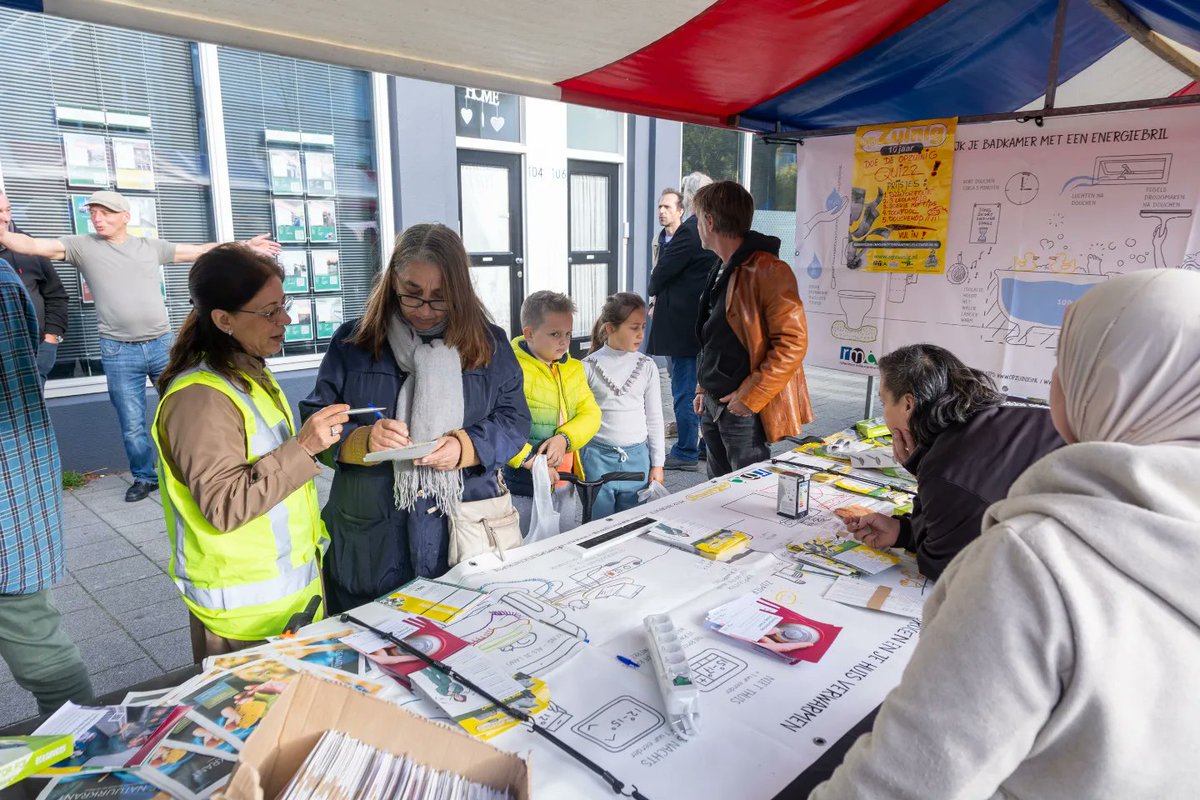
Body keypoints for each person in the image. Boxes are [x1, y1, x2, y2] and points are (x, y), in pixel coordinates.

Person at [811, 269, 1200, 799]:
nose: (1054, 379)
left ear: (1106, 386)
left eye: (1067, 361)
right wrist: (905, 528)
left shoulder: (1030, 564)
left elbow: (902, 781)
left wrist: (922, 493)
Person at [301, 224, 530, 613]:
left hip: (466, 530)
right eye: (412, 293)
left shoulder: (490, 343)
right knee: (370, 637)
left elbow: (515, 420)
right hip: (372, 539)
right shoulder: (352, 342)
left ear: (460, 291)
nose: (424, 310)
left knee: (469, 630)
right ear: (393, 281)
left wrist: (466, 447)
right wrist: (360, 441)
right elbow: (316, 421)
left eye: (439, 298)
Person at [0, 190, 281, 502]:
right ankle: (144, 477)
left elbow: (201, 250)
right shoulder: (81, 247)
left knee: (187, 411)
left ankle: (190, 470)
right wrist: (3, 228)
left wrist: (245, 247)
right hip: (118, 351)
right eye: (93, 212)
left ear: (125, 217)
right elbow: (32, 246)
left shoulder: (149, 247)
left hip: (162, 346)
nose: (97, 218)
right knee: (132, 424)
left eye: (105, 212)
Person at [152, 245, 349, 660]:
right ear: (223, 320)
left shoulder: (247, 372)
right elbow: (224, 505)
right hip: (244, 619)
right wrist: (304, 447)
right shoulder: (200, 399)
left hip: (286, 603)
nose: (285, 320)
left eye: (284, 305)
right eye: (269, 311)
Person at [844, 344, 1062, 580]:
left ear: (908, 405)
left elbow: (942, 564)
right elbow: (958, 522)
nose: (884, 413)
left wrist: (924, 471)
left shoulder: (947, 466)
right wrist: (904, 531)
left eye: (883, 403)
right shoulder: (997, 409)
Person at [0, 257, 94, 715]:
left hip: (8, 503)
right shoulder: (5, 278)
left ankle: (84, 748)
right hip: (14, 496)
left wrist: (52, 339)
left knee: (45, 659)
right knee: (42, 648)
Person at [692, 181, 812, 478]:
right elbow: (712, 335)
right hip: (714, 403)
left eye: (697, 219)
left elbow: (792, 343)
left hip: (743, 409)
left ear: (709, 221)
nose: (696, 226)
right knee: (716, 490)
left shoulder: (769, 269)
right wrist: (702, 386)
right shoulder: (722, 266)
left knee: (747, 492)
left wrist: (749, 397)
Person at [504, 291, 601, 534]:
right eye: (555, 334)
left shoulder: (573, 368)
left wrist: (564, 439)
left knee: (563, 538)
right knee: (525, 542)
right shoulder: (511, 370)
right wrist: (532, 463)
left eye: (568, 334)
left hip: (564, 480)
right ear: (529, 333)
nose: (564, 342)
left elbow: (591, 414)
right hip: (524, 483)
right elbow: (502, 427)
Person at [646, 176, 720, 471]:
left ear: (689, 200)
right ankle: (703, 446)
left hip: (682, 327)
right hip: (700, 324)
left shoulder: (690, 230)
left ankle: (686, 450)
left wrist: (654, 289)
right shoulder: (710, 230)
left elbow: (659, 276)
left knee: (685, 390)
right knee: (702, 388)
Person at [581, 292, 665, 518]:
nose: (641, 335)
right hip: (597, 459)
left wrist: (658, 464)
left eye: (643, 327)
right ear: (610, 328)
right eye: (634, 328)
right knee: (597, 525)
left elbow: (655, 418)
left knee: (633, 523)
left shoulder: (647, 366)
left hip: (638, 460)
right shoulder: (587, 367)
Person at [0, 192, 68, 388]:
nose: (6, 218)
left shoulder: (29, 247)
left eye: (8, 210)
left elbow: (56, 295)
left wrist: (51, 339)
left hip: (33, 354)